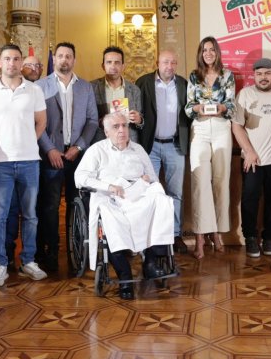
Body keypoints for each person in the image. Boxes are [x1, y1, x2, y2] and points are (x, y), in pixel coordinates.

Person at [74, 113, 175, 300]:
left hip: (138, 195)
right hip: (111, 196)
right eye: (115, 127)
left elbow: (152, 177)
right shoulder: (96, 150)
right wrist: (109, 186)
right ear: (106, 132)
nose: (121, 130)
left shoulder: (138, 150)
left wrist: (146, 179)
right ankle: (125, 276)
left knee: (162, 200)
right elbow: (80, 178)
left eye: (124, 126)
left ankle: (151, 263)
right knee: (111, 218)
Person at [0, 44, 48, 286]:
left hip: (29, 162)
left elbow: (41, 122)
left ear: (21, 63)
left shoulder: (34, 90)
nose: (12, 63)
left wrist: (27, 142)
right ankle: (0, 264)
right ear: (0, 61)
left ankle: (28, 261)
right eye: (7, 59)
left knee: (30, 215)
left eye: (17, 59)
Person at [36, 42, 98, 274]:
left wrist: (80, 146)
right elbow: (36, 123)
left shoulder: (85, 87)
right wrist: (50, 149)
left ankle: (77, 251)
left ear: (74, 59)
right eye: (60, 56)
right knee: (49, 206)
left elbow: (92, 120)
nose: (64, 60)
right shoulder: (40, 86)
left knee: (78, 203)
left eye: (68, 56)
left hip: (77, 155)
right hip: (50, 154)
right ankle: (51, 252)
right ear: (55, 59)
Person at [232, 58, 271, 258]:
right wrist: (249, 151)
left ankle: (269, 238)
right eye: (259, 74)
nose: (263, 77)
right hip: (253, 158)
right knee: (250, 199)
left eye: (267, 73)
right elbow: (236, 125)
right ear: (254, 76)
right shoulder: (245, 94)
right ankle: (250, 237)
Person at [136, 50, 191, 253]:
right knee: (150, 193)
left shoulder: (183, 84)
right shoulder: (143, 82)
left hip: (175, 145)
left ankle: (175, 235)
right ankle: (149, 237)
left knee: (175, 193)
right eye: (165, 62)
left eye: (173, 62)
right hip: (150, 146)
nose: (169, 66)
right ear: (157, 63)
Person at [185, 36, 235, 258]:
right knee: (200, 182)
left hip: (222, 128)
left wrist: (221, 107)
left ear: (217, 52)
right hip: (201, 129)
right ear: (200, 52)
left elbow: (232, 106)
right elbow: (187, 107)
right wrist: (198, 109)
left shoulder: (227, 75)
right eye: (204, 49)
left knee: (220, 182)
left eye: (212, 49)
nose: (208, 53)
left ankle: (216, 233)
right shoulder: (194, 76)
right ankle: (199, 238)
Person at [92, 46, 143, 142]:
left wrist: (139, 119)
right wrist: (102, 121)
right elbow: (86, 119)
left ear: (123, 66)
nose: (113, 66)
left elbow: (141, 118)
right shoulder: (91, 88)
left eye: (117, 62)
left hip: (128, 141)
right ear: (103, 66)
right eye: (109, 62)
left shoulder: (134, 90)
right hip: (101, 142)